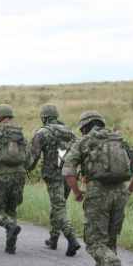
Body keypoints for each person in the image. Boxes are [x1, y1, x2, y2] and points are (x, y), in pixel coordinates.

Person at [62, 111, 133, 266]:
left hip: (97, 194)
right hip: (120, 194)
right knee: (110, 240)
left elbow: (68, 171)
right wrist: (127, 192)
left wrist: (76, 191)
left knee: (95, 242)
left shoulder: (83, 142)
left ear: (85, 127)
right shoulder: (119, 139)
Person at [29, 104, 81, 256]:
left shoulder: (42, 132)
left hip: (53, 175)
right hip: (69, 175)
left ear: (44, 117)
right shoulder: (70, 132)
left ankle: (71, 238)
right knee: (59, 205)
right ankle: (53, 238)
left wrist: (28, 169)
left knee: (59, 207)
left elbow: (34, 155)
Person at [0, 104, 33, 254]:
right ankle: (11, 245)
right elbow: (29, 158)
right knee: (11, 209)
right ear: (10, 116)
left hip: (1, 175)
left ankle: (10, 226)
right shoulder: (20, 134)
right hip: (19, 175)